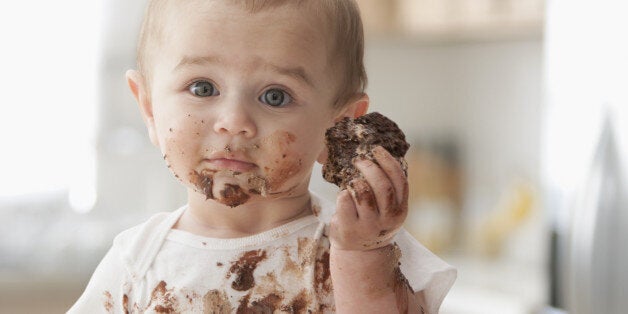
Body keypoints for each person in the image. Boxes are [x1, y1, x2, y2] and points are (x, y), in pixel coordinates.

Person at [69, 0, 456, 313]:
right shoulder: (136, 263)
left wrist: (363, 259)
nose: (234, 122)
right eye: (203, 87)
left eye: (276, 96)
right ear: (150, 109)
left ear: (338, 128)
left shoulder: (365, 245)